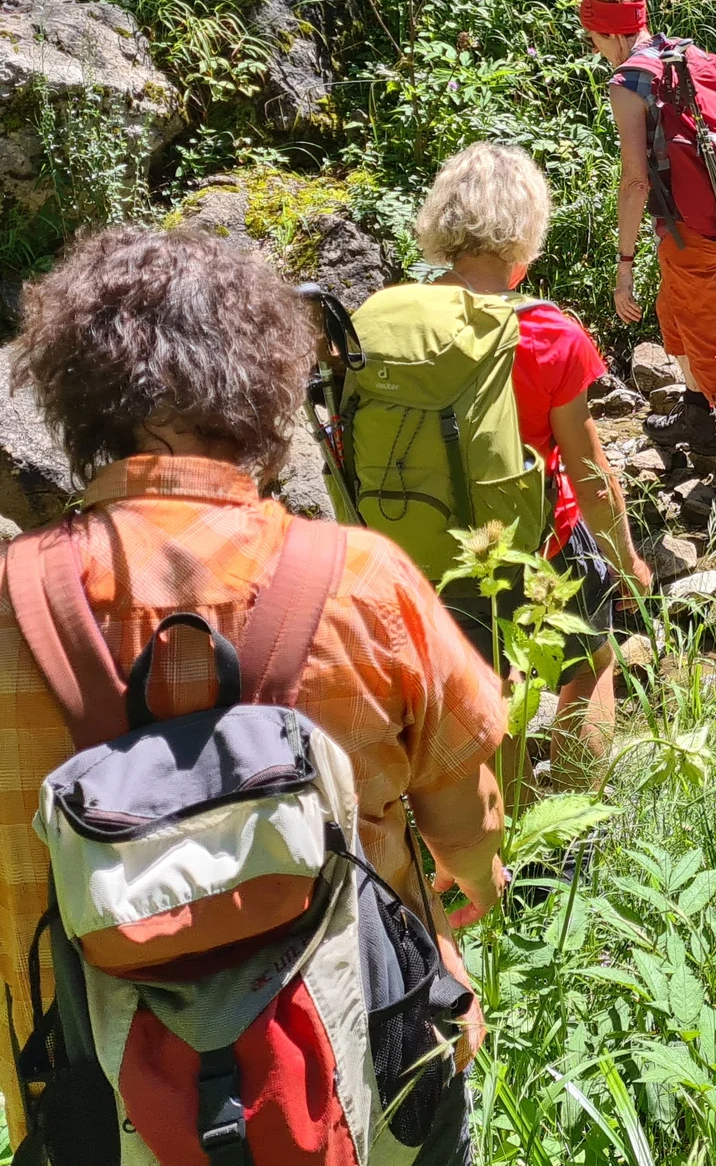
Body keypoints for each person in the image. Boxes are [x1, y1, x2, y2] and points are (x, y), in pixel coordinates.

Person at [0, 226, 509, 1150]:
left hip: (94, 1103)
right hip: (362, 1076)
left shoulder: (7, 608)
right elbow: (468, 822)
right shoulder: (361, 580)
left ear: (76, 403)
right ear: (261, 389)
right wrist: (469, 888)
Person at [412, 142, 648, 769]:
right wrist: (626, 562)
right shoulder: (549, 332)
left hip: (430, 546)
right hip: (539, 545)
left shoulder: (400, 326)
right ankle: (567, 844)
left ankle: (501, 845)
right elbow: (588, 474)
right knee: (594, 661)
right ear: (525, 235)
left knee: (490, 689)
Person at [576, 0, 716, 509]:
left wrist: (624, 264)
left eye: (591, 39)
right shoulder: (686, 55)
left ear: (605, 35)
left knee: (710, 340)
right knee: (676, 312)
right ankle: (697, 421)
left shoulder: (627, 83)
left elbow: (634, 180)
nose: (594, 50)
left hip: (691, 230)